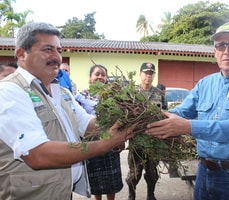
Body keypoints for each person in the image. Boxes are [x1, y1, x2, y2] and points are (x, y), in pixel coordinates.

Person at [0, 22, 136, 200]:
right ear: (21, 54)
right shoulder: (10, 91)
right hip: (30, 194)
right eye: (48, 49)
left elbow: (87, 125)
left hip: (62, 192)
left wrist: (123, 118)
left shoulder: (62, 92)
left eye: (59, 50)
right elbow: (37, 154)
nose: (56, 56)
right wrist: (105, 144)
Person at [145, 22, 229, 200]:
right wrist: (147, 117)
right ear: (215, 51)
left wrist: (188, 127)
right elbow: (182, 112)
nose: (227, 51)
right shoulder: (205, 83)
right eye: (221, 45)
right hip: (204, 173)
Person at [75, 64, 124, 200]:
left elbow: (121, 119)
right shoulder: (81, 96)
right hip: (91, 142)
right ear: (90, 78)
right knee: (96, 178)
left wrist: (121, 140)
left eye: (103, 74)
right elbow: (76, 119)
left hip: (111, 140)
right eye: (97, 74)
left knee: (111, 179)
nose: (100, 77)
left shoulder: (115, 96)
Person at [126, 62, 166, 200]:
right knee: (134, 172)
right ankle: (132, 195)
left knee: (151, 171)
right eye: (146, 73)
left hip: (153, 141)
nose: (148, 76)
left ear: (154, 75)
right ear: (140, 74)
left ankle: (151, 194)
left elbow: (165, 113)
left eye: (151, 73)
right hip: (136, 140)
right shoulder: (132, 93)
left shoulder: (159, 93)